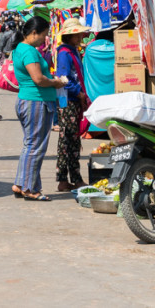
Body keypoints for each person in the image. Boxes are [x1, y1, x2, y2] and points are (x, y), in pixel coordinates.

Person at [11, 17, 69, 202]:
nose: (45, 39)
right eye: (44, 35)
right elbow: (38, 79)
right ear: (34, 33)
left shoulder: (21, 48)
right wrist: (56, 82)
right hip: (36, 101)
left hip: (30, 100)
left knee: (30, 145)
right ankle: (30, 188)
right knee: (36, 147)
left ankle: (21, 183)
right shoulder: (28, 51)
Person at [55, 18, 92, 191]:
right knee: (68, 141)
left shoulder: (72, 51)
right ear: (69, 36)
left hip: (74, 99)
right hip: (68, 100)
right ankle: (71, 179)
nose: (80, 37)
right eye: (77, 35)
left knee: (69, 140)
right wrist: (78, 92)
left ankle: (67, 179)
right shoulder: (64, 53)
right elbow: (64, 78)